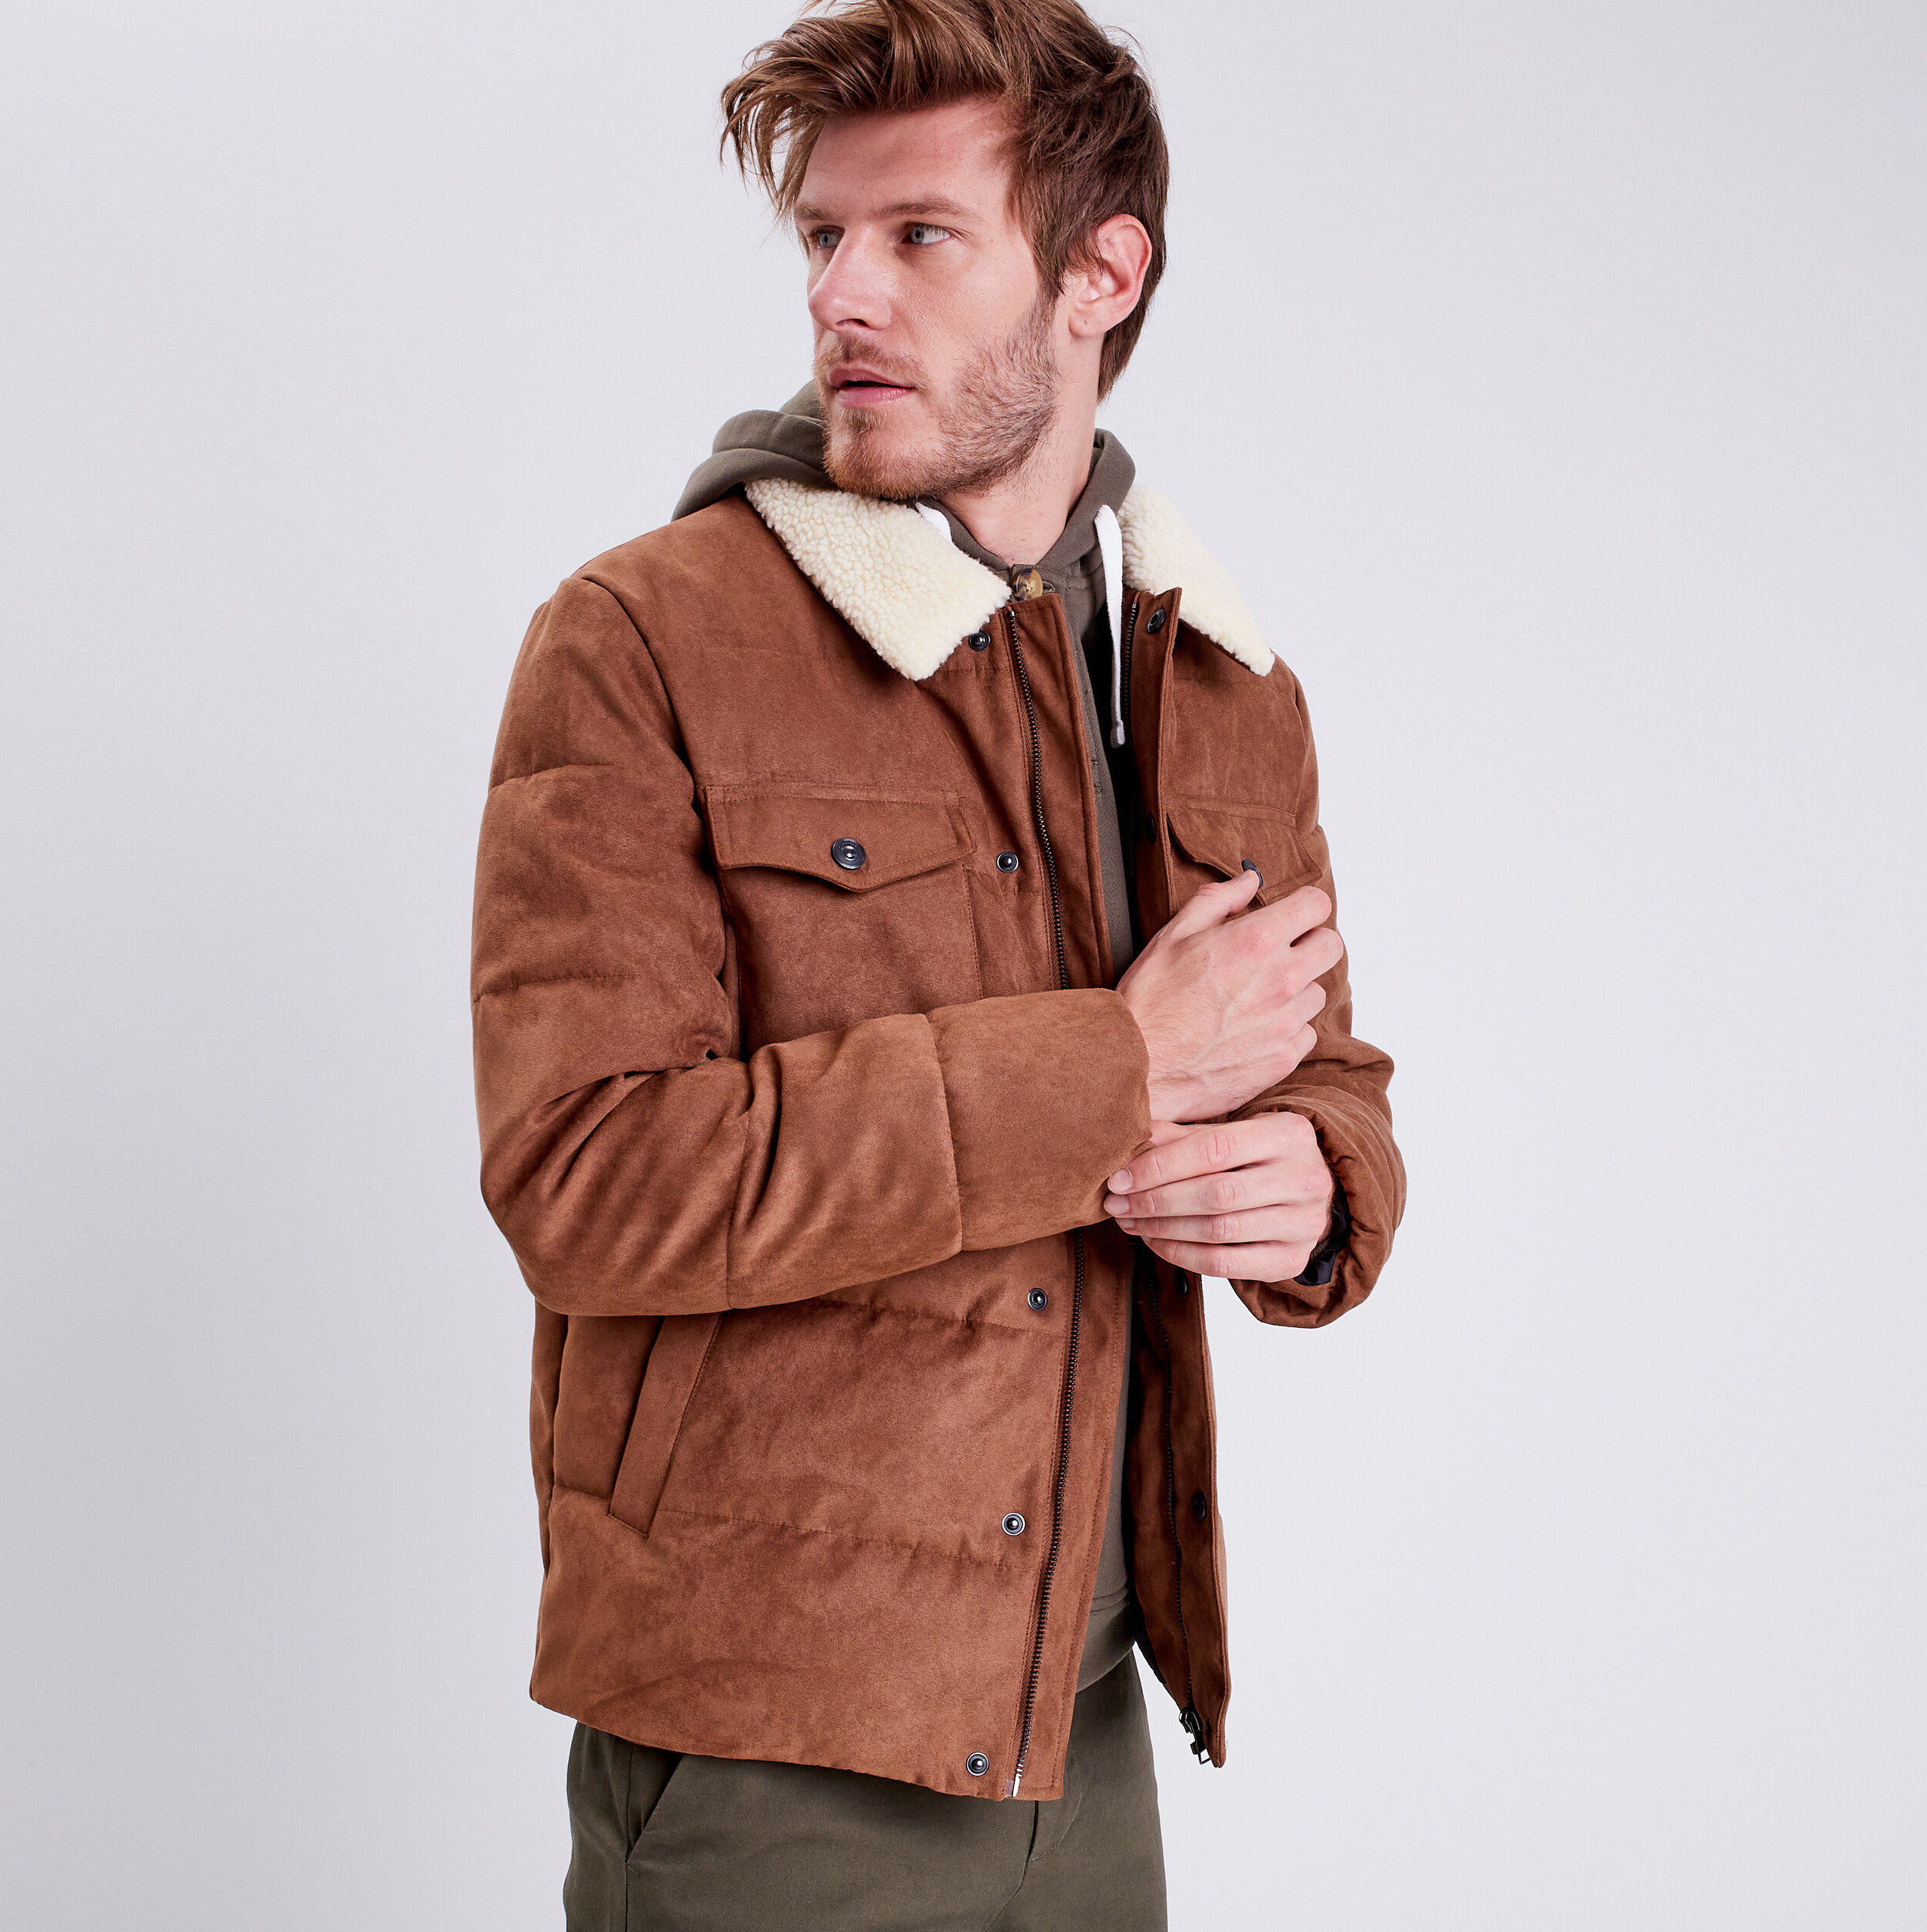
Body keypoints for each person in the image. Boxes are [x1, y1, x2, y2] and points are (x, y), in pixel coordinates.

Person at [471, 2, 1404, 1924]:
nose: (843, 295)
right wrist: (1110, 1074)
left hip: (1092, 1725)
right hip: (768, 1753)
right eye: (826, 235)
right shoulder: (643, 641)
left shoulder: (1212, 671)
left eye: (919, 237)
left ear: (1098, 276)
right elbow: (586, 1176)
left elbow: (1321, 1067)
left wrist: (1319, 1190)